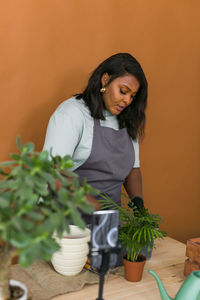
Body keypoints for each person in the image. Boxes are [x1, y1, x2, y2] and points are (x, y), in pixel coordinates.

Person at [43, 53, 148, 213]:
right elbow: (53, 171)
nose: (127, 101)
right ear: (105, 80)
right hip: (68, 224)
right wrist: (96, 208)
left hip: (107, 227)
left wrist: (138, 204)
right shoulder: (72, 114)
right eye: (123, 91)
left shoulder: (128, 119)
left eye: (132, 96)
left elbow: (132, 169)